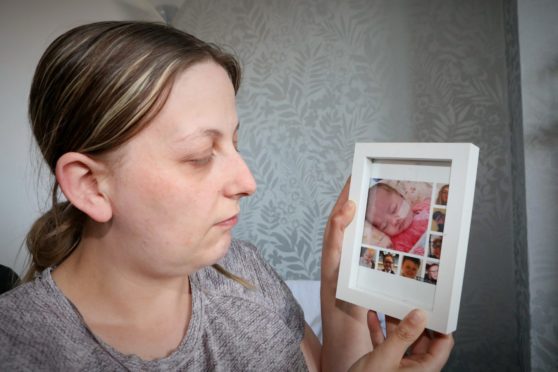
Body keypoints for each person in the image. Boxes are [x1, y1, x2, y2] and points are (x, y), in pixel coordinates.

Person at [0, 21, 453, 371]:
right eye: (200, 155)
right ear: (90, 185)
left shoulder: (243, 268)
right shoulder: (20, 350)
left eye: (235, 143)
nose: (247, 181)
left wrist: (341, 295)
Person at [364, 182, 430, 255]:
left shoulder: (425, 206)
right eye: (385, 225)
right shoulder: (397, 244)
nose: (394, 221)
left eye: (394, 209)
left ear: (402, 196)